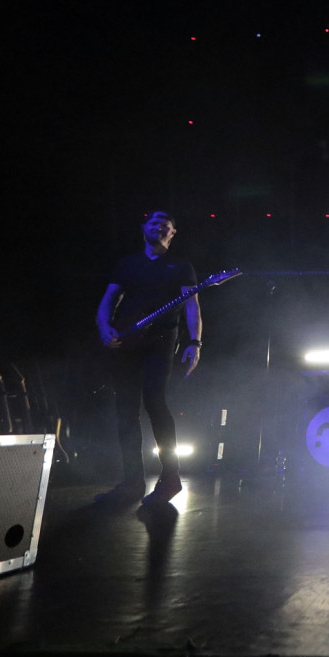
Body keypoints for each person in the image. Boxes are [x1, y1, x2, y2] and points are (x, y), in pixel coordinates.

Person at [95, 211, 202, 505]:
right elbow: (108, 301)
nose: (159, 227)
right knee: (126, 409)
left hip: (161, 342)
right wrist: (104, 328)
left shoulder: (181, 266)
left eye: (165, 224)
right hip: (127, 341)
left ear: (173, 233)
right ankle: (132, 482)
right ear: (144, 228)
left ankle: (171, 478)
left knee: (154, 401)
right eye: (154, 223)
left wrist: (194, 342)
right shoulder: (128, 264)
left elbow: (192, 307)